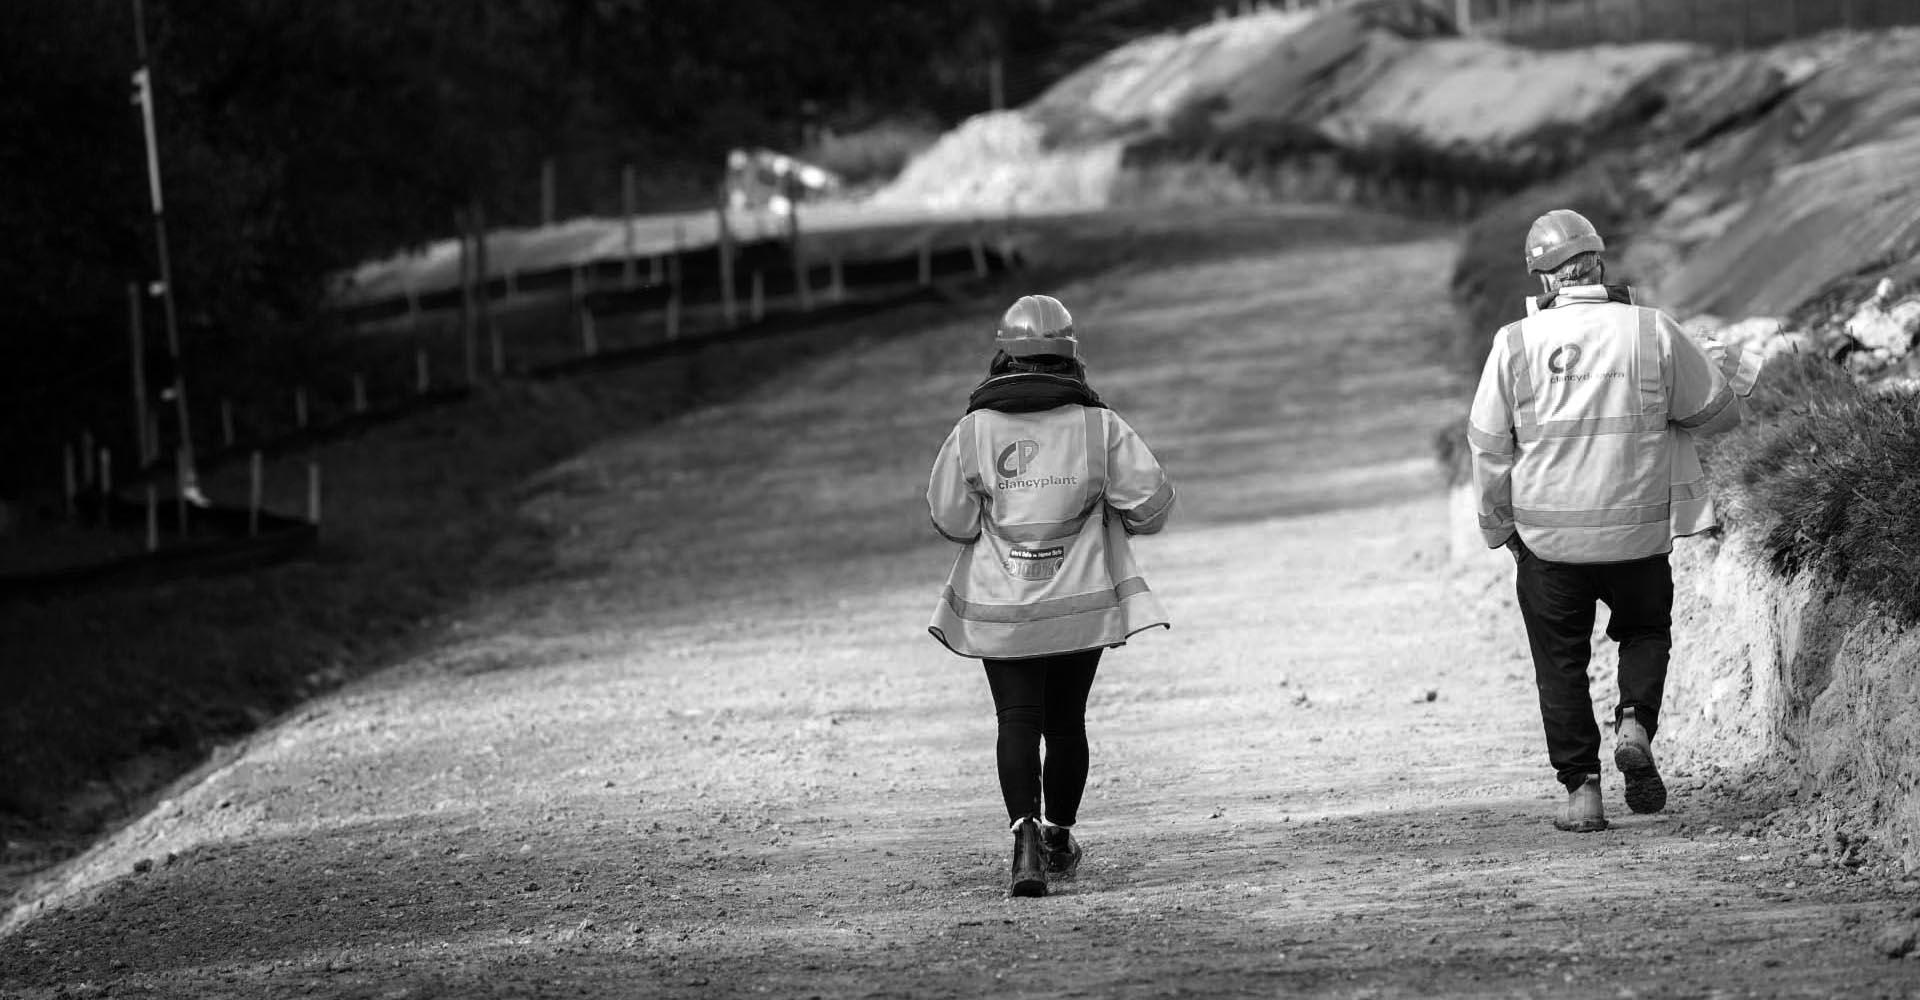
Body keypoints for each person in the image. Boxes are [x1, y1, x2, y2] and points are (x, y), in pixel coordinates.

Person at [1467, 209, 1742, 833]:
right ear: (1599, 264)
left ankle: (1582, 796)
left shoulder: (1513, 343)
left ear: (1543, 280)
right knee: (1644, 631)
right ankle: (1635, 724)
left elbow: (1487, 444)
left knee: (1559, 663)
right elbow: (1718, 416)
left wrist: (1500, 530)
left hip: (1548, 540)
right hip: (1637, 531)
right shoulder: (1652, 331)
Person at [925, 293, 1176, 896]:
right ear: (1071, 356)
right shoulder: (1098, 424)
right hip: (1081, 606)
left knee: (1016, 720)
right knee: (1065, 726)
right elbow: (1153, 506)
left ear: (1003, 357)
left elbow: (952, 520)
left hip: (1000, 609)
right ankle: (1059, 838)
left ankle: (1024, 844)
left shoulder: (972, 430)